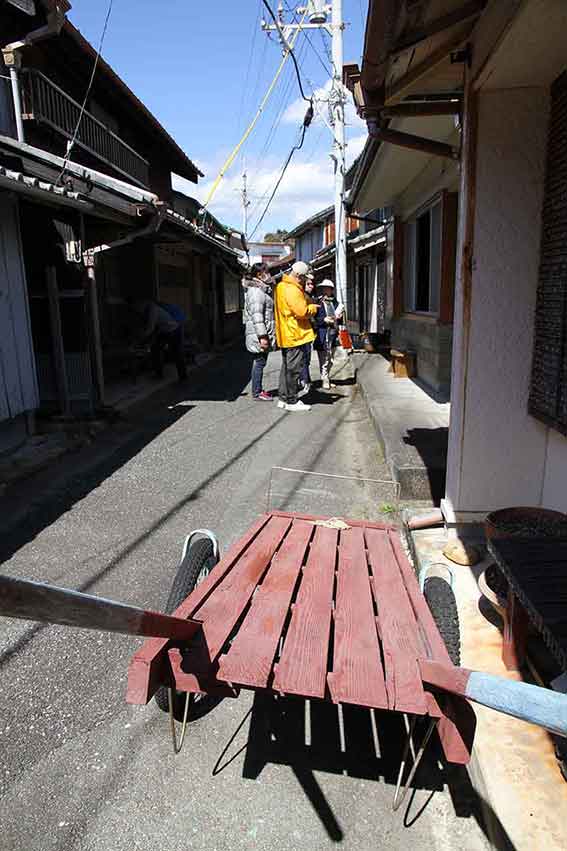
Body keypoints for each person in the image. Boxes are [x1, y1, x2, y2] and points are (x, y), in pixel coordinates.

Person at [274, 260, 318, 412]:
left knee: (286, 367)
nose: (306, 280)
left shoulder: (281, 286)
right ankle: (292, 400)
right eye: (305, 277)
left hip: (286, 332)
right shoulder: (293, 289)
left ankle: (283, 398)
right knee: (294, 368)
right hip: (295, 333)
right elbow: (302, 312)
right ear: (298, 276)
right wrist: (312, 308)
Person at [130, 298, 187, 381]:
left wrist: (140, 339)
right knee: (155, 349)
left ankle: (183, 376)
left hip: (174, 330)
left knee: (177, 353)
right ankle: (158, 374)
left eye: (138, 308)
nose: (138, 310)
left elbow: (150, 328)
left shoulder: (153, 310)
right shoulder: (148, 311)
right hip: (164, 331)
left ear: (143, 305)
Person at [242, 263, 276, 401]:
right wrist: (262, 336)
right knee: (259, 361)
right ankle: (257, 392)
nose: (269, 274)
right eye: (266, 272)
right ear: (259, 275)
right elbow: (257, 316)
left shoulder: (260, 290)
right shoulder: (256, 291)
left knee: (260, 361)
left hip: (260, 332)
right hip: (259, 334)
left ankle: (258, 390)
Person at [313, 279, 343, 390]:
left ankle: (327, 378)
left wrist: (338, 318)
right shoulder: (318, 302)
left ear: (331, 290)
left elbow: (340, 320)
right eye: (323, 288)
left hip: (333, 334)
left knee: (330, 359)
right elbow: (313, 320)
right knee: (324, 359)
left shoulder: (336, 303)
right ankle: (324, 379)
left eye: (328, 288)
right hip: (322, 334)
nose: (325, 290)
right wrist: (324, 320)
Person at [299, 273, 316, 395]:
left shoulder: (310, 296)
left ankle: (304, 380)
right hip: (303, 332)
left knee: (306, 358)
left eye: (312, 284)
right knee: (304, 358)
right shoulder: (302, 297)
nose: (311, 286)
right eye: (308, 284)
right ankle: (305, 381)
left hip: (308, 332)